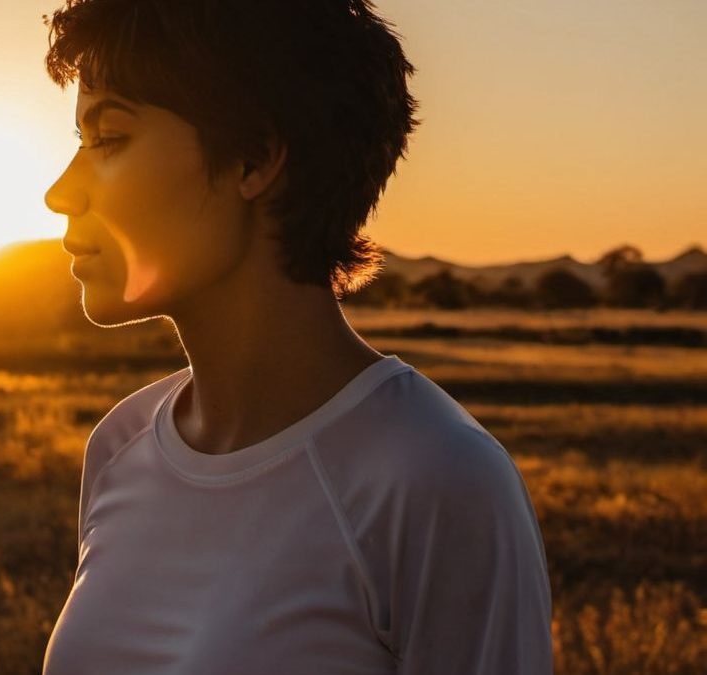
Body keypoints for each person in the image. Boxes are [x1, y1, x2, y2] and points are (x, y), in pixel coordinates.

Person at [40, 1, 554, 673]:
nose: (60, 192)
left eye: (107, 139)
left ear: (254, 158)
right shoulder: (120, 447)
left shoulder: (439, 480)